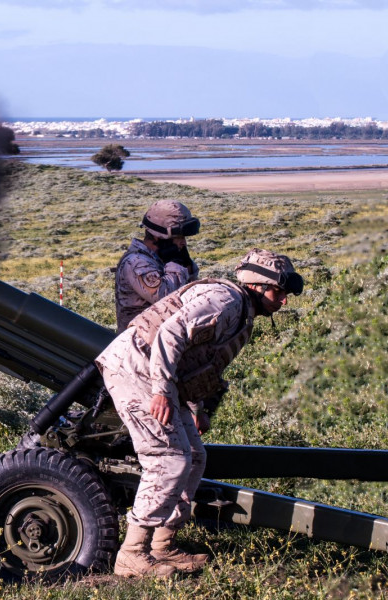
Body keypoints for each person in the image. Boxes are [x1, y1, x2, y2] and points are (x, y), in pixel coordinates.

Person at [95, 248, 304, 577]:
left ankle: (162, 544)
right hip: (137, 367)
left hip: (155, 371)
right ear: (259, 286)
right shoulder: (226, 303)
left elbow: (199, 360)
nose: (283, 301)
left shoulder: (239, 311)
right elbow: (170, 334)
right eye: (279, 292)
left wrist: (197, 408)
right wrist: (162, 392)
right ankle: (132, 553)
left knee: (193, 456)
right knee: (169, 459)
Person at [115, 200, 202, 331]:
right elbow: (166, 296)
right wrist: (178, 264)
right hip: (139, 343)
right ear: (158, 236)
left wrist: (187, 266)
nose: (183, 242)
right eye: (178, 236)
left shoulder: (160, 259)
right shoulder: (136, 263)